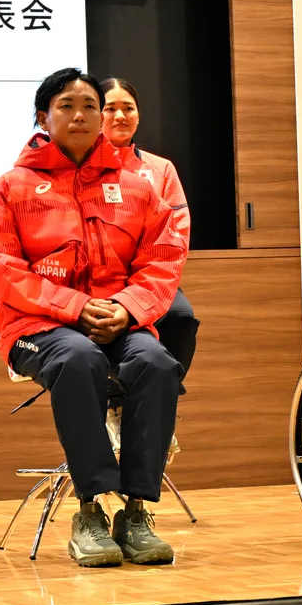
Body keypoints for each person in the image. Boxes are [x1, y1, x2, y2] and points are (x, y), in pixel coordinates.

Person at [0, 68, 186, 567]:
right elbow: (0, 269)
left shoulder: (136, 186)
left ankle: (137, 512)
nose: (82, 115)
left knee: (156, 363)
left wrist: (128, 308)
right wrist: (72, 306)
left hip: (118, 321)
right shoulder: (10, 187)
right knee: (79, 358)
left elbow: (164, 257)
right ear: (43, 118)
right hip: (36, 329)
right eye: (67, 106)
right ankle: (88, 510)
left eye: (90, 105)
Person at [101, 77, 199, 383]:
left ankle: (161, 395)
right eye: (110, 108)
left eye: (128, 108)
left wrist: (152, 278)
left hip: (152, 277)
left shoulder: (161, 169)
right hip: (100, 279)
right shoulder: (83, 167)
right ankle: (113, 394)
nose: (120, 116)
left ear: (138, 115)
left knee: (181, 318)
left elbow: (178, 231)